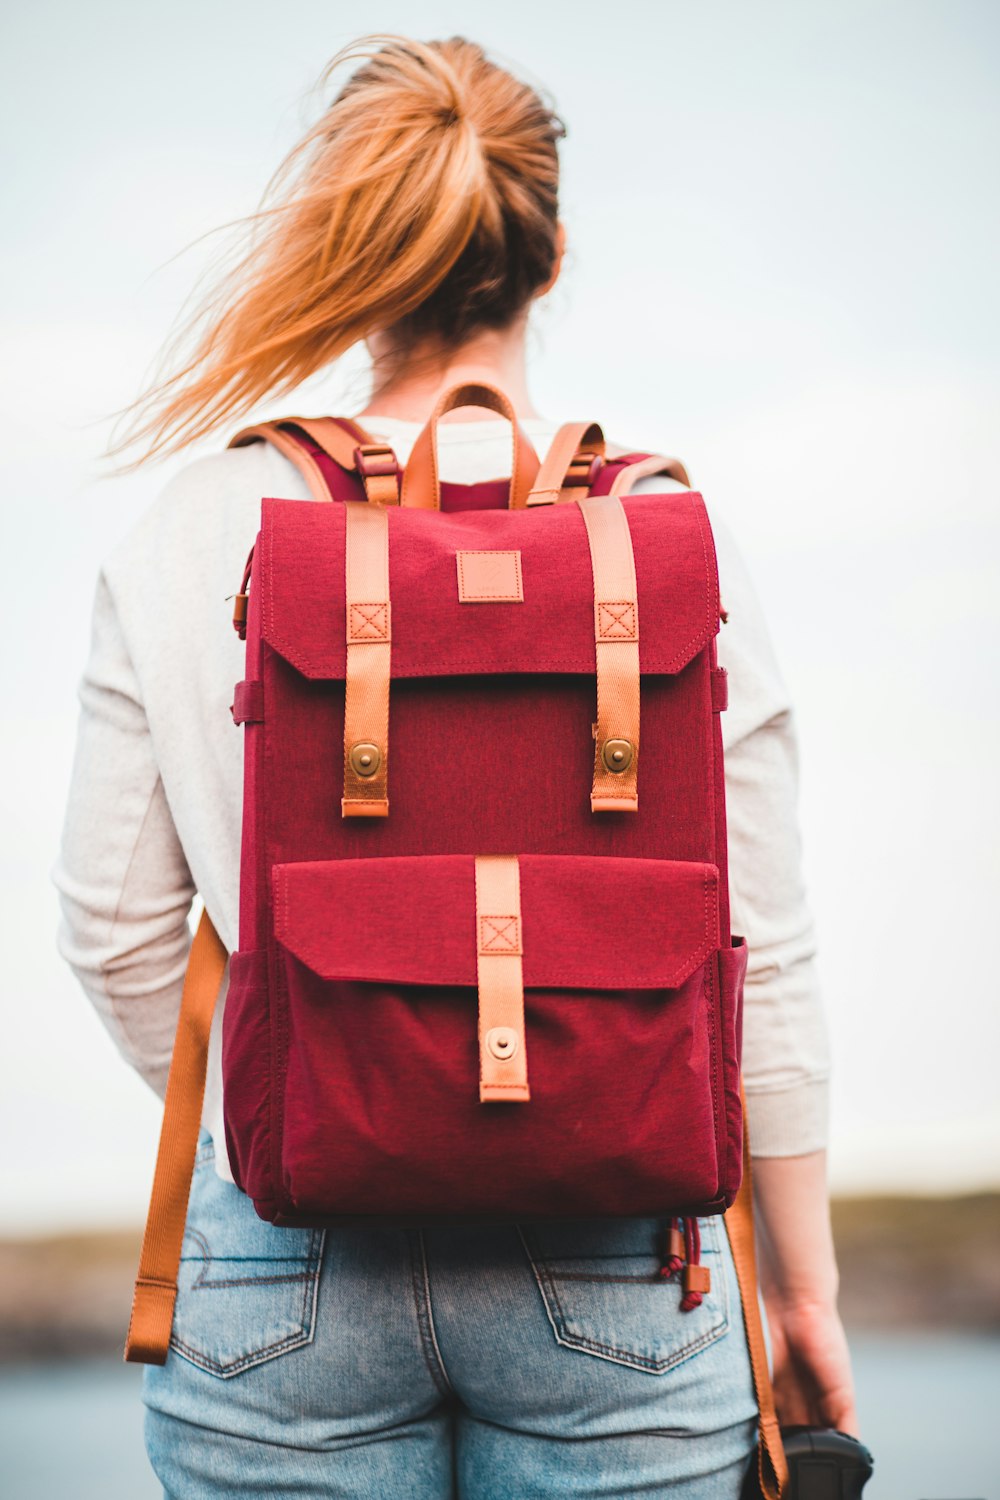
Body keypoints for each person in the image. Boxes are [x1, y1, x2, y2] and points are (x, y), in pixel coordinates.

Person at [55, 34, 857, 1499]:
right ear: (550, 257)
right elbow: (767, 960)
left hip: (283, 1279)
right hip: (619, 1268)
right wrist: (802, 1296)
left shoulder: (194, 524)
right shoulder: (670, 536)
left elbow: (111, 931)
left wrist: (315, 1104)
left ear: (349, 253)